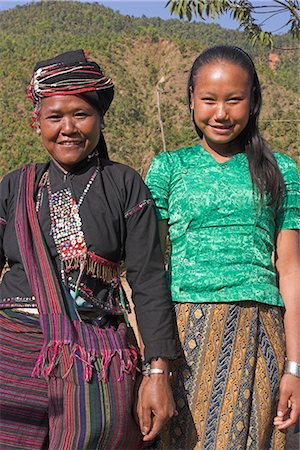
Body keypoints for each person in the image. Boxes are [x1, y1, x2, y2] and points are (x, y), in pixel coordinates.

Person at [0, 49, 177, 450]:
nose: (68, 128)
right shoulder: (15, 187)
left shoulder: (124, 185)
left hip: (95, 359)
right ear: (38, 122)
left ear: (100, 118)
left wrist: (158, 372)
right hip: (12, 352)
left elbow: (149, 279)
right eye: (55, 116)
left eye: (80, 114)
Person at [146, 45, 300, 449]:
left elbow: (291, 270)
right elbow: (149, 268)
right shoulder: (168, 168)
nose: (221, 113)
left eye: (234, 100)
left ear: (253, 101)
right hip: (185, 335)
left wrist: (295, 367)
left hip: (260, 332)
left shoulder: (282, 169)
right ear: (191, 100)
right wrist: (155, 363)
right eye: (209, 100)